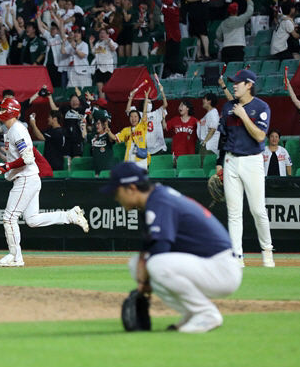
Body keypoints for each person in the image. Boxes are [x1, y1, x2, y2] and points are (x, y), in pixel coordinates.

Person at [100, 162, 242, 333]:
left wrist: (143, 284)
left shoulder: (160, 201)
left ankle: (206, 314)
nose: (116, 197)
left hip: (222, 268)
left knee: (155, 265)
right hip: (208, 265)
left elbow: (160, 249)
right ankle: (191, 314)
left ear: (131, 188)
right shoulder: (153, 200)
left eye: (117, 191)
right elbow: (148, 247)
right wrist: (143, 278)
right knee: (137, 264)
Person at [0, 97, 89, 267]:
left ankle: (16, 256)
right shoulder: (9, 131)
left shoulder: (17, 130)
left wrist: (7, 166)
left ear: (10, 112)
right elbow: (20, 157)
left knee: (9, 218)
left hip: (26, 179)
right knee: (32, 220)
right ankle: (70, 216)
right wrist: (6, 165)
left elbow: (28, 158)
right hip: (27, 178)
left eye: (2, 109)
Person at [218, 69, 274, 268]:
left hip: (252, 161)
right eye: (233, 82)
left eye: (238, 82)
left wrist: (243, 116)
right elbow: (223, 137)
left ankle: (267, 251)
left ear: (249, 85)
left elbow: (260, 137)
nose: (234, 85)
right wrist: (219, 162)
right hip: (231, 160)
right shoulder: (227, 107)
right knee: (233, 212)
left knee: (258, 210)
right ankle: (237, 256)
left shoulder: (261, 107)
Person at [108, 88, 150, 169]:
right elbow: (115, 138)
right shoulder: (125, 130)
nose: (133, 118)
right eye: (131, 116)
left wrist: (146, 98)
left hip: (141, 159)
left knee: (141, 180)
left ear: (139, 118)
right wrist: (109, 131)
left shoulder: (142, 126)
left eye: (135, 116)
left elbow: (144, 113)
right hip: (129, 160)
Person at [47, 89, 89, 159]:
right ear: (69, 101)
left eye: (76, 100)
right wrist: (49, 97)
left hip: (78, 139)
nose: (74, 102)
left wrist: (81, 98)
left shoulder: (83, 110)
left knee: (77, 157)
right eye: (72, 100)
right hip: (67, 138)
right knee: (66, 158)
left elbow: (89, 108)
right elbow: (54, 109)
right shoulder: (66, 109)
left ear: (79, 102)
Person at [215, 0, 253, 64]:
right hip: (238, 48)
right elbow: (249, 12)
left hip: (226, 48)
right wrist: (249, 0)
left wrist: (223, 39)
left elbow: (218, 34)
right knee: (236, 70)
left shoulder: (223, 23)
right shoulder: (240, 20)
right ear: (237, 11)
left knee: (226, 71)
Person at [166, 100, 199, 165]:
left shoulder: (195, 121)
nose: (179, 107)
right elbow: (165, 127)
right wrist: (163, 117)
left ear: (188, 108)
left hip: (190, 153)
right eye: (179, 106)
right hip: (177, 153)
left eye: (182, 105)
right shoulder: (175, 120)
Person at [146, 78, 168, 156]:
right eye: (146, 102)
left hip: (158, 147)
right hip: (145, 148)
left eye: (149, 102)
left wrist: (162, 92)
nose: (148, 104)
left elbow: (165, 105)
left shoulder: (157, 112)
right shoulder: (140, 115)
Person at [197, 92, 220, 162]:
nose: (203, 101)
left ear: (209, 101)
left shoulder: (213, 113)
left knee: (203, 165)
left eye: (205, 99)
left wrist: (205, 142)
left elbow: (213, 129)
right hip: (207, 145)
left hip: (209, 146)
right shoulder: (209, 114)